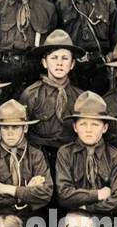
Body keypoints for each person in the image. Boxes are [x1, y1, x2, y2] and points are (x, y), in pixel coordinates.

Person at [0, 100, 52, 227]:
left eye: (16, 127)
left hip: (29, 215)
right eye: (5, 128)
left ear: (25, 128)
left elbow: (45, 193)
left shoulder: (35, 155)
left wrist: (8, 189)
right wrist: (25, 194)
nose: (10, 133)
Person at [55, 92, 117, 223]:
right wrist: (99, 194)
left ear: (105, 128)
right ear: (75, 127)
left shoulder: (115, 156)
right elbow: (64, 195)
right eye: (83, 124)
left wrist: (86, 206)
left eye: (95, 124)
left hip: (105, 222)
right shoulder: (65, 153)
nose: (88, 130)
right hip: (73, 221)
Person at [18, 29, 84, 166]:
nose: (59, 63)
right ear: (44, 63)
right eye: (54, 57)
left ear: (72, 64)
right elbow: (22, 133)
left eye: (65, 58)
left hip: (71, 159)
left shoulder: (80, 97)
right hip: (40, 158)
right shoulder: (31, 95)